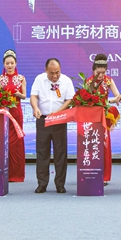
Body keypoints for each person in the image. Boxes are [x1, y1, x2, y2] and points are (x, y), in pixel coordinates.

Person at [30, 58, 75, 193]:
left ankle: (60, 184)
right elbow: (33, 96)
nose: (55, 76)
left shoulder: (66, 81)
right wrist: (35, 108)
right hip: (43, 120)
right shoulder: (39, 79)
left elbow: (70, 100)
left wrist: (58, 112)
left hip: (59, 120)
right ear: (46, 70)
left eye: (57, 72)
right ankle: (42, 184)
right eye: (51, 73)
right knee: (42, 152)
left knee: (60, 153)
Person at [88, 54, 121, 185]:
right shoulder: (89, 82)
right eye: (98, 72)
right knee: (91, 144)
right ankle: (90, 172)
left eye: (103, 72)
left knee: (104, 145)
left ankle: (104, 176)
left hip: (104, 116)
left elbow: (118, 96)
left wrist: (107, 101)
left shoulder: (108, 81)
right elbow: (86, 99)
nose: (101, 75)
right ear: (94, 70)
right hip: (92, 117)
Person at [0, 49, 27, 183]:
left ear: (16, 63)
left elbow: (24, 95)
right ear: (3, 64)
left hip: (16, 112)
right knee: (5, 141)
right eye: (7, 63)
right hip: (5, 113)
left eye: (12, 63)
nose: (10, 66)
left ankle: (17, 174)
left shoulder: (21, 78)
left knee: (16, 142)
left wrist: (19, 94)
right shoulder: (0, 78)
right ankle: (5, 172)